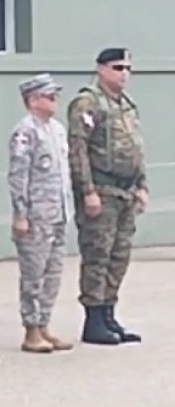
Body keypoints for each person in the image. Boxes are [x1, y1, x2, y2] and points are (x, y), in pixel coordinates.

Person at [66, 47, 146, 345]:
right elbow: (78, 150)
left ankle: (109, 313)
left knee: (119, 256)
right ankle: (93, 319)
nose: (123, 73)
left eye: (127, 68)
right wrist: (87, 191)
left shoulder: (125, 104)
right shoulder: (88, 102)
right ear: (100, 69)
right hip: (101, 190)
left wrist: (142, 185)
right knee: (97, 255)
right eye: (117, 67)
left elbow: (136, 147)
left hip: (125, 191)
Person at [7, 73, 74, 353]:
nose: (54, 100)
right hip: (35, 215)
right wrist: (20, 213)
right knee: (33, 273)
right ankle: (31, 329)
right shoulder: (25, 131)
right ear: (33, 100)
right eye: (49, 96)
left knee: (53, 272)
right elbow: (18, 175)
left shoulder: (57, 129)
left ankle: (44, 323)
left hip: (58, 212)